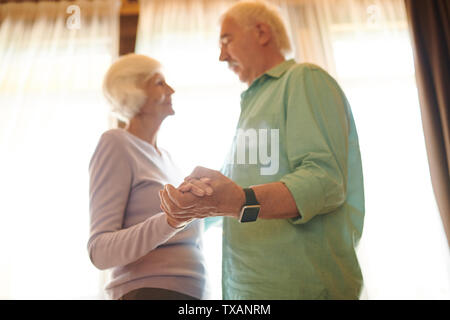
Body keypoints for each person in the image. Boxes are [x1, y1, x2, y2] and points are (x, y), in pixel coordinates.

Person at [160, 0, 365, 299]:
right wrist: (200, 204)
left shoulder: (303, 79)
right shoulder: (251, 103)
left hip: (302, 288)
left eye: (226, 40)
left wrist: (240, 201)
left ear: (261, 32)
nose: (221, 56)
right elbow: (236, 199)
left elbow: (324, 180)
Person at [87, 53, 210, 300]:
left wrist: (209, 202)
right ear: (133, 92)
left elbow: (180, 227)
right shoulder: (116, 143)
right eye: (160, 83)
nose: (171, 90)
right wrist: (172, 219)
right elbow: (99, 251)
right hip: (147, 293)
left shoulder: (167, 158)